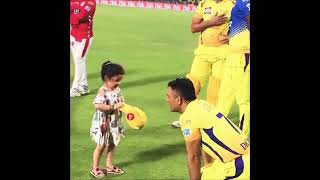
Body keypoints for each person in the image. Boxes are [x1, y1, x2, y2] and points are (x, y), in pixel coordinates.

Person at [166, 78, 250, 180]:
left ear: (179, 100)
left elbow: (193, 157)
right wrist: (208, 168)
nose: (167, 99)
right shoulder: (202, 104)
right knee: (204, 173)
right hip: (243, 158)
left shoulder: (188, 118)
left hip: (239, 168)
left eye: (168, 96)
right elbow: (205, 139)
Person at [171, 0, 233, 128]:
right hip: (203, 51)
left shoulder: (233, 4)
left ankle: (211, 121)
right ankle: (186, 117)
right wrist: (211, 22)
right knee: (191, 85)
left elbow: (245, 24)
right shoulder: (204, 3)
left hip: (223, 53)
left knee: (215, 89)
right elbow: (193, 28)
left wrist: (234, 36)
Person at [217, 0, 250, 136]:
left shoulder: (245, 2)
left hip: (243, 56)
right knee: (224, 97)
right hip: (232, 55)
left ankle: (242, 137)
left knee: (244, 100)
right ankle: (215, 131)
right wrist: (230, 36)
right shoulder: (238, 3)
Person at [89, 61, 126, 178]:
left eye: (120, 80)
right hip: (103, 123)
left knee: (112, 143)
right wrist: (113, 107)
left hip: (114, 121)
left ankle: (109, 165)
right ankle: (94, 168)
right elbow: (98, 105)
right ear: (106, 78)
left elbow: (120, 101)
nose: (118, 83)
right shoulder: (102, 91)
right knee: (101, 145)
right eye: (116, 80)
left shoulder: (117, 89)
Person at [70, 0, 96, 97]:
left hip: (85, 37)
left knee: (79, 59)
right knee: (79, 61)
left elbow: (82, 16)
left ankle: (75, 87)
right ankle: (84, 86)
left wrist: (73, 16)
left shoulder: (91, 3)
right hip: (73, 35)